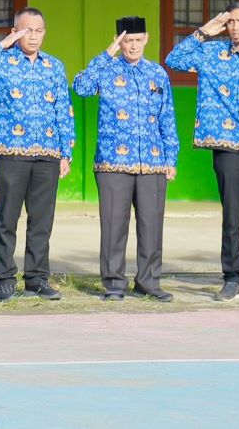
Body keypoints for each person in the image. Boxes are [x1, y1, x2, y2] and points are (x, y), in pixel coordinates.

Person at [165, 2, 239, 302]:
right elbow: (174, 58)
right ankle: (232, 277)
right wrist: (204, 32)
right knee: (231, 215)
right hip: (226, 145)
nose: (234, 27)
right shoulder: (213, 54)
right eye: (230, 22)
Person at [0, 6, 74, 301]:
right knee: (7, 219)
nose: (33, 37)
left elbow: (64, 110)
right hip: (11, 153)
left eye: (38, 31)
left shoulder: (55, 66)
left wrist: (66, 153)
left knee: (41, 221)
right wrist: (3, 43)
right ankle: (5, 280)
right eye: (26, 31)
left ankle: (37, 279)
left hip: (48, 153)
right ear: (16, 31)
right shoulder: (3, 60)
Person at [74, 17, 179, 302]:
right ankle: (114, 284)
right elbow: (81, 87)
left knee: (151, 225)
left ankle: (149, 282)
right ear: (119, 42)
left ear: (147, 39)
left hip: (153, 162)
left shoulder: (158, 74)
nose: (132, 46)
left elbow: (167, 118)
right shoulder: (106, 70)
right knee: (113, 225)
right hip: (112, 163)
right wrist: (107, 53)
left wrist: (171, 158)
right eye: (126, 41)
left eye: (137, 40)